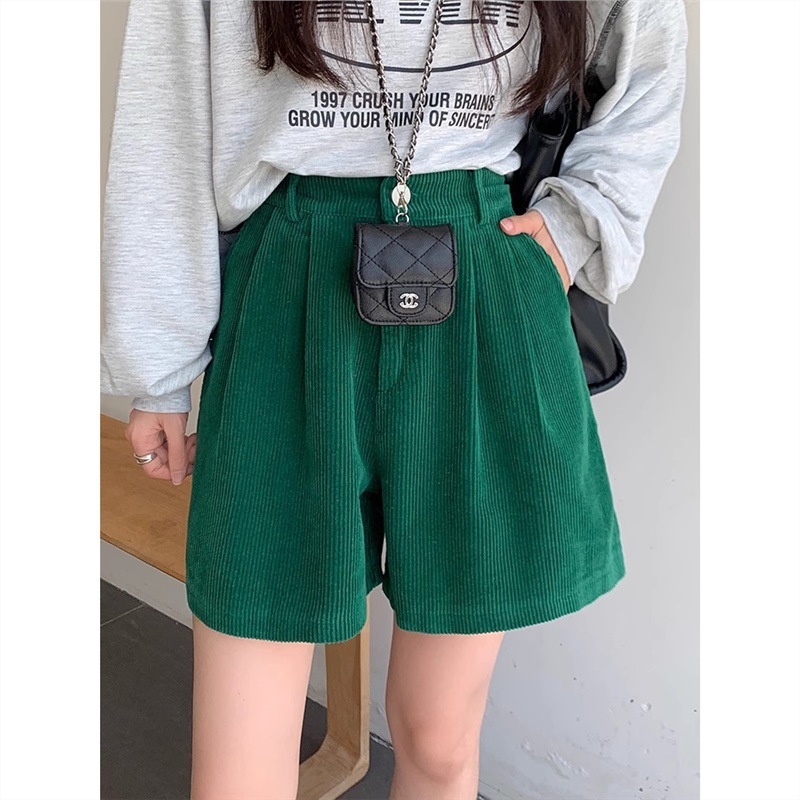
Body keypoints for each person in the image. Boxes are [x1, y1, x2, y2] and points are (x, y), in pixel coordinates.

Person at [100, 1, 687, 797]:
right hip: (289, 281)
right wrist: (159, 365)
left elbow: (646, 59)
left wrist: (576, 227)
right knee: (240, 758)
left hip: (483, 277)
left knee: (439, 739)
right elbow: (165, 112)